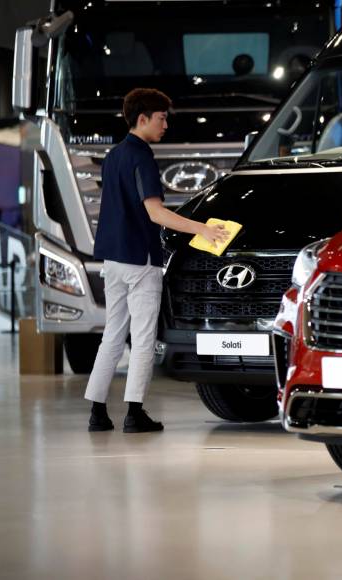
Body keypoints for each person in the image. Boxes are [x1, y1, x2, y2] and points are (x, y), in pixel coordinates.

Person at [84, 88, 227, 433]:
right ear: (143, 118)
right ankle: (135, 413)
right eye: (162, 118)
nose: (166, 125)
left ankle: (97, 412)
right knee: (144, 337)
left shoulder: (114, 155)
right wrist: (203, 229)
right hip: (141, 260)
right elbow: (155, 212)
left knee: (112, 337)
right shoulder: (142, 156)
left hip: (113, 261)